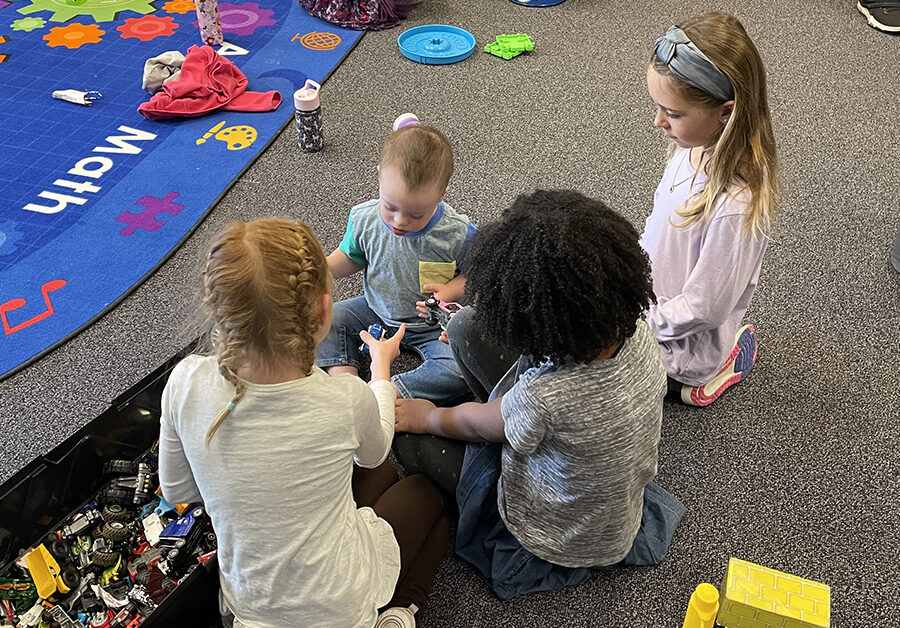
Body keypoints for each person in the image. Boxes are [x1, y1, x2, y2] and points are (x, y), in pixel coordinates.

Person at [394, 190, 685, 600]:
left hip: (549, 535)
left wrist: (425, 417)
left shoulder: (544, 395)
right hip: (609, 506)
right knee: (466, 328)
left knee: (407, 442)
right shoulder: (637, 333)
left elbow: (474, 423)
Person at [159, 218, 448, 628]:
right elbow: (375, 450)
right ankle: (399, 612)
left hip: (252, 606)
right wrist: (381, 371)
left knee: (377, 479)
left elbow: (178, 490)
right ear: (324, 310)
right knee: (425, 493)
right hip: (340, 605)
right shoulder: (344, 398)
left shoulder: (185, 380)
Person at [642, 12, 780, 406]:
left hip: (681, 348)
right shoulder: (692, 147)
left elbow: (705, 308)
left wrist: (635, 326)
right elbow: (659, 226)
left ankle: (718, 368)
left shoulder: (737, 205)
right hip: (648, 308)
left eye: (673, 113)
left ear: (725, 111)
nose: (658, 122)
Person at [317, 121, 475, 405]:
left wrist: (452, 289)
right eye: (389, 207)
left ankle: (389, 393)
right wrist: (321, 269)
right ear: (379, 178)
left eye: (417, 215)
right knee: (323, 317)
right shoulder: (363, 218)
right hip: (375, 308)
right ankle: (346, 383)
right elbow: (352, 257)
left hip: (431, 328)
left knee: (461, 371)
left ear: (441, 196)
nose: (400, 221)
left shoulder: (457, 232)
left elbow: (480, 273)